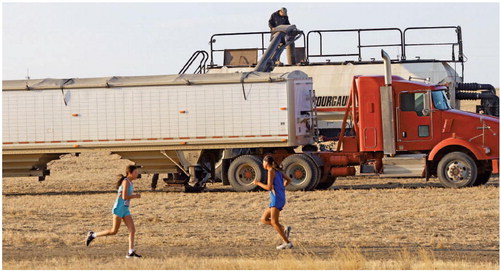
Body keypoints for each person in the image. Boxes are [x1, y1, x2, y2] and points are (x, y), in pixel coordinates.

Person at [85, 165, 143, 258]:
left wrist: (133, 195)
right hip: (119, 208)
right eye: (135, 172)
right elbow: (124, 197)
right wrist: (135, 196)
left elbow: (126, 195)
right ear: (129, 173)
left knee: (132, 230)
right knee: (114, 231)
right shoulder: (126, 182)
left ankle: (131, 252)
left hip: (125, 209)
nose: (137, 174)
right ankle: (93, 235)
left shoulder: (130, 182)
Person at [253, 155, 293, 250]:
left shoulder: (271, 171)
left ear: (266, 163)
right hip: (280, 197)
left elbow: (269, 187)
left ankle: (287, 243)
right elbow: (289, 180)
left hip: (276, 199)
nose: (262, 164)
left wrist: (257, 183)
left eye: (263, 162)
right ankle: (283, 229)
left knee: (274, 222)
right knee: (263, 219)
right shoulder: (278, 171)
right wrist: (282, 186)